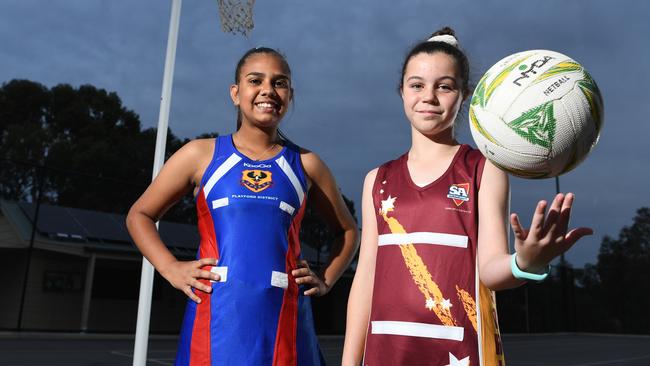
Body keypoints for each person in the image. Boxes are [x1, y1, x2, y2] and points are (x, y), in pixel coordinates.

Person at [342, 27, 592, 366]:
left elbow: (490, 269)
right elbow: (366, 278)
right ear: (401, 91)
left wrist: (525, 264)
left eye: (444, 86)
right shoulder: (378, 179)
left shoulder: (483, 168)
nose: (428, 96)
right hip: (387, 352)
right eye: (417, 85)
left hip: (458, 351)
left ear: (464, 94)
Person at [126, 47, 359, 365]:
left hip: (287, 321)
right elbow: (139, 215)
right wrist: (170, 268)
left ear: (290, 95)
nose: (268, 90)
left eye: (280, 82)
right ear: (236, 93)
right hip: (216, 319)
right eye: (255, 80)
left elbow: (347, 231)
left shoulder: (306, 164)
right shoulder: (200, 154)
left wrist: (327, 278)